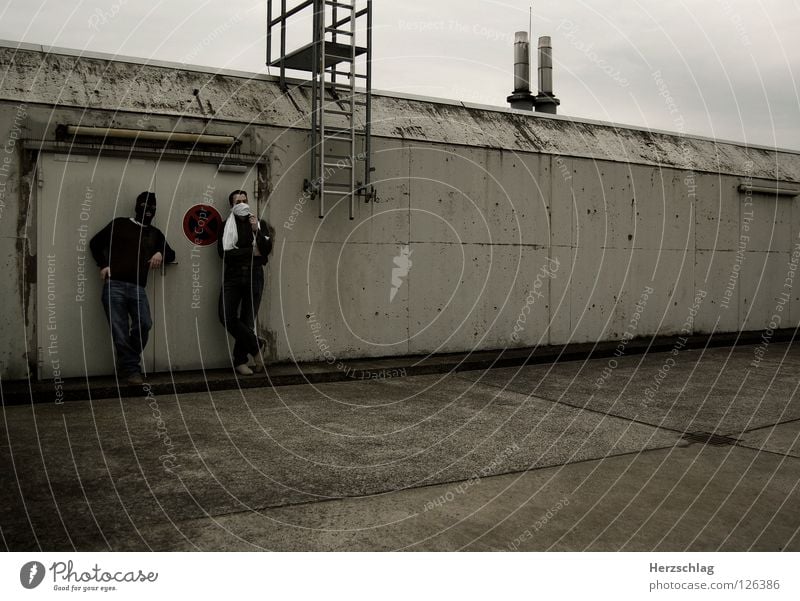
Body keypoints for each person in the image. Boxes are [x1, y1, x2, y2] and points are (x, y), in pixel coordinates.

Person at [89, 192, 176, 385]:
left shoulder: (155, 233)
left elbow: (171, 253)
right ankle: (131, 370)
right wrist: (103, 264)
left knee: (144, 324)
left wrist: (160, 253)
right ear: (137, 206)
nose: (148, 210)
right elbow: (95, 243)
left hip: (137, 287)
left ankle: (127, 363)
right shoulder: (119, 224)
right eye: (144, 205)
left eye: (152, 207)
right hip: (114, 285)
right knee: (119, 330)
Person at [218, 189, 272, 375]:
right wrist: (251, 252)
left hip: (254, 275)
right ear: (231, 205)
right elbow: (224, 254)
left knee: (247, 319)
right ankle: (257, 345)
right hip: (233, 276)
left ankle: (241, 361)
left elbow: (265, 250)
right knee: (225, 315)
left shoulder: (259, 223)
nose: (241, 204)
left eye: (244, 200)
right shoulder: (226, 226)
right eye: (237, 201)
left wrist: (257, 230)